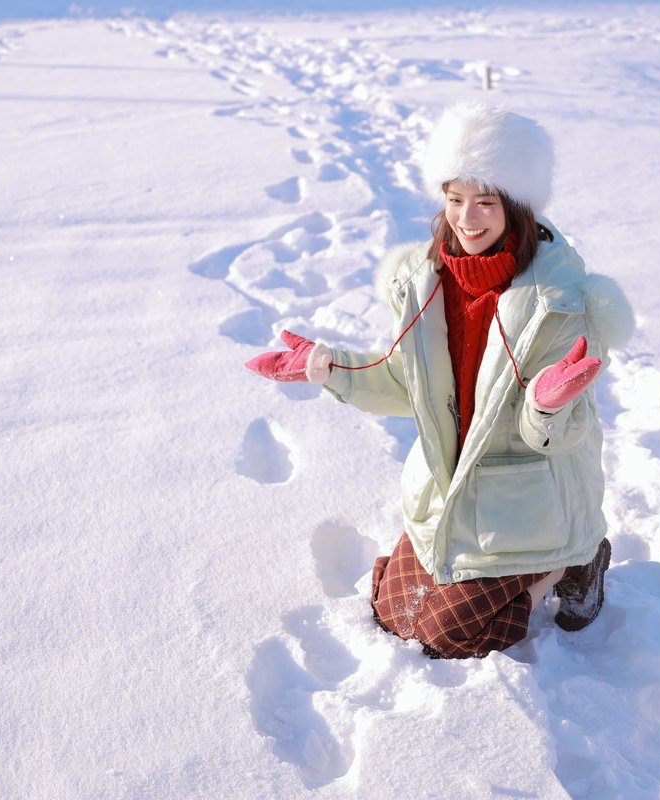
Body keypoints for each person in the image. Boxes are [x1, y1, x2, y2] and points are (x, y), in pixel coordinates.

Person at [246, 101, 634, 659]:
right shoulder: (427, 281)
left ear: (517, 207)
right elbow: (408, 383)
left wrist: (546, 406)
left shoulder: (559, 301)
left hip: (532, 498)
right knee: (394, 611)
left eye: (486, 202)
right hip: (452, 490)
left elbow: (562, 438)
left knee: (451, 634)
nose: (467, 218)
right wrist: (328, 368)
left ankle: (574, 561)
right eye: (455, 199)